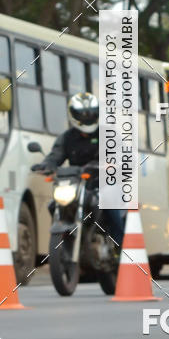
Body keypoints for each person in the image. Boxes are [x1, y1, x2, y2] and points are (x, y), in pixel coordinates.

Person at [31, 92, 125, 250]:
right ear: (73, 115)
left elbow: (123, 154)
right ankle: (66, 243)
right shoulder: (67, 138)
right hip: (78, 185)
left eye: (91, 113)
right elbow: (55, 156)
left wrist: (115, 164)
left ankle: (120, 249)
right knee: (53, 204)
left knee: (110, 206)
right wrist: (46, 166)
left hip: (103, 183)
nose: (87, 117)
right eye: (82, 114)